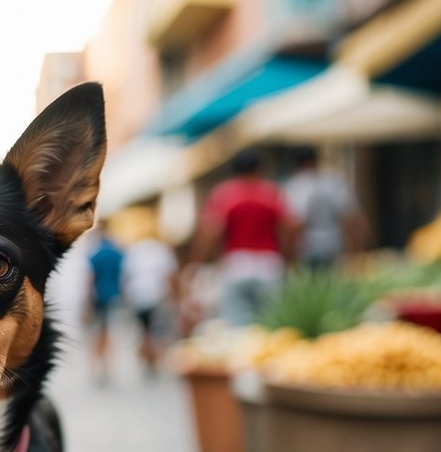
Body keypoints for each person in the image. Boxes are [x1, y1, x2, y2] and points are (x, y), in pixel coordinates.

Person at [191, 149, 298, 326]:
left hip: (236, 263)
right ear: (260, 168)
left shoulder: (224, 193)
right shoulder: (271, 192)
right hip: (268, 263)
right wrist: (288, 256)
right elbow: (292, 227)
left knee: (235, 324)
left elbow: (211, 231)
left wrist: (199, 262)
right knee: (272, 324)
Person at [282, 146, 366, 268]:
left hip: (308, 247)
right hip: (334, 244)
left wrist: (289, 256)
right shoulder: (334, 181)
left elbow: (295, 224)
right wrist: (356, 251)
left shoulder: (296, 186)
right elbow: (352, 218)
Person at [122, 233, 178, 375]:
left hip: (137, 296)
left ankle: (148, 359)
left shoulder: (134, 251)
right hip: (156, 296)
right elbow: (169, 275)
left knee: (144, 331)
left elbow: (126, 276)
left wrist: (126, 297)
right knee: (156, 331)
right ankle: (153, 360)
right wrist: (173, 297)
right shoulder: (162, 251)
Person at [85, 223, 126, 383]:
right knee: (109, 332)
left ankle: (98, 366)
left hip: (98, 298)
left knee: (96, 333)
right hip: (114, 297)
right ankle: (107, 366)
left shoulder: (96, 254)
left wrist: (87, 303)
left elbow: (90, 280)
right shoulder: (118, 253)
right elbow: (123, 277)